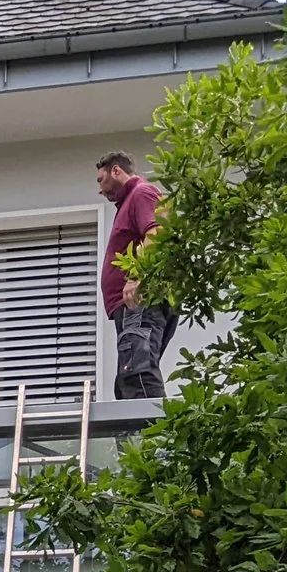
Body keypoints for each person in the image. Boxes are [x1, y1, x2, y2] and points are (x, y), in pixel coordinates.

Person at [96, 151, 175, 401]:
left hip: (139, 300)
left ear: (116, 170)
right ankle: (137, 437)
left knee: (137, 374)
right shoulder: (131, 202)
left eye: (101, 180)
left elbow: (156, 232)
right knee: (129, 378)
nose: (100, 189)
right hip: (133, 305)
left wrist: (137, 277)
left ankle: (150, 437)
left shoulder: (141, 193)